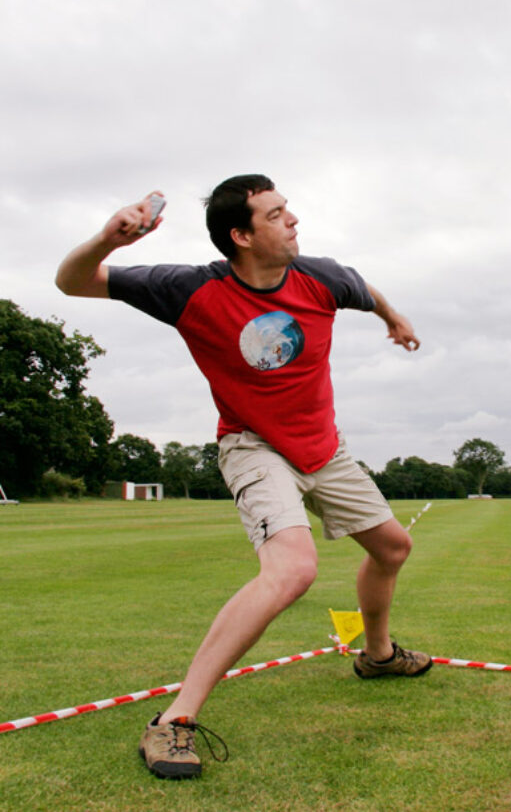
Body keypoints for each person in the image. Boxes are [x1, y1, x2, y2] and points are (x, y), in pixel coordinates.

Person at [56, 174, 431, 779]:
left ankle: (378, 656)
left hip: (324, 449)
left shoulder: (323, 276)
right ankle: (174, 721)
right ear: (241, 235)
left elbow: (364, 289)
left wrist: (395, 317)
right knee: (293, 569)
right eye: (277, 214)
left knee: (393, 546)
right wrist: (106, 239)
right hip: (252, 444)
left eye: (288, 209)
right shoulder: (186, 288)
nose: (294, 220)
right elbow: (71, 282)